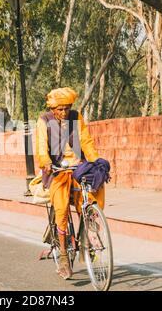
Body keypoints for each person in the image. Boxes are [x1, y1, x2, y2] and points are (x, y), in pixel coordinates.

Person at [36, 87, 106, 280]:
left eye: (67, 108)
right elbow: (41, 146)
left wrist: (95, 160)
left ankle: (91, 232)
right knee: (61, 209)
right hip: (57, 170)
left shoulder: (76, 117)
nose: (64, 112)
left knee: (94, 193)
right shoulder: (44, 120)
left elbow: (86, 141)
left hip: (78, 167)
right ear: (53, 108)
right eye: (60, 109)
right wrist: (47, 163)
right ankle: (64, 258)